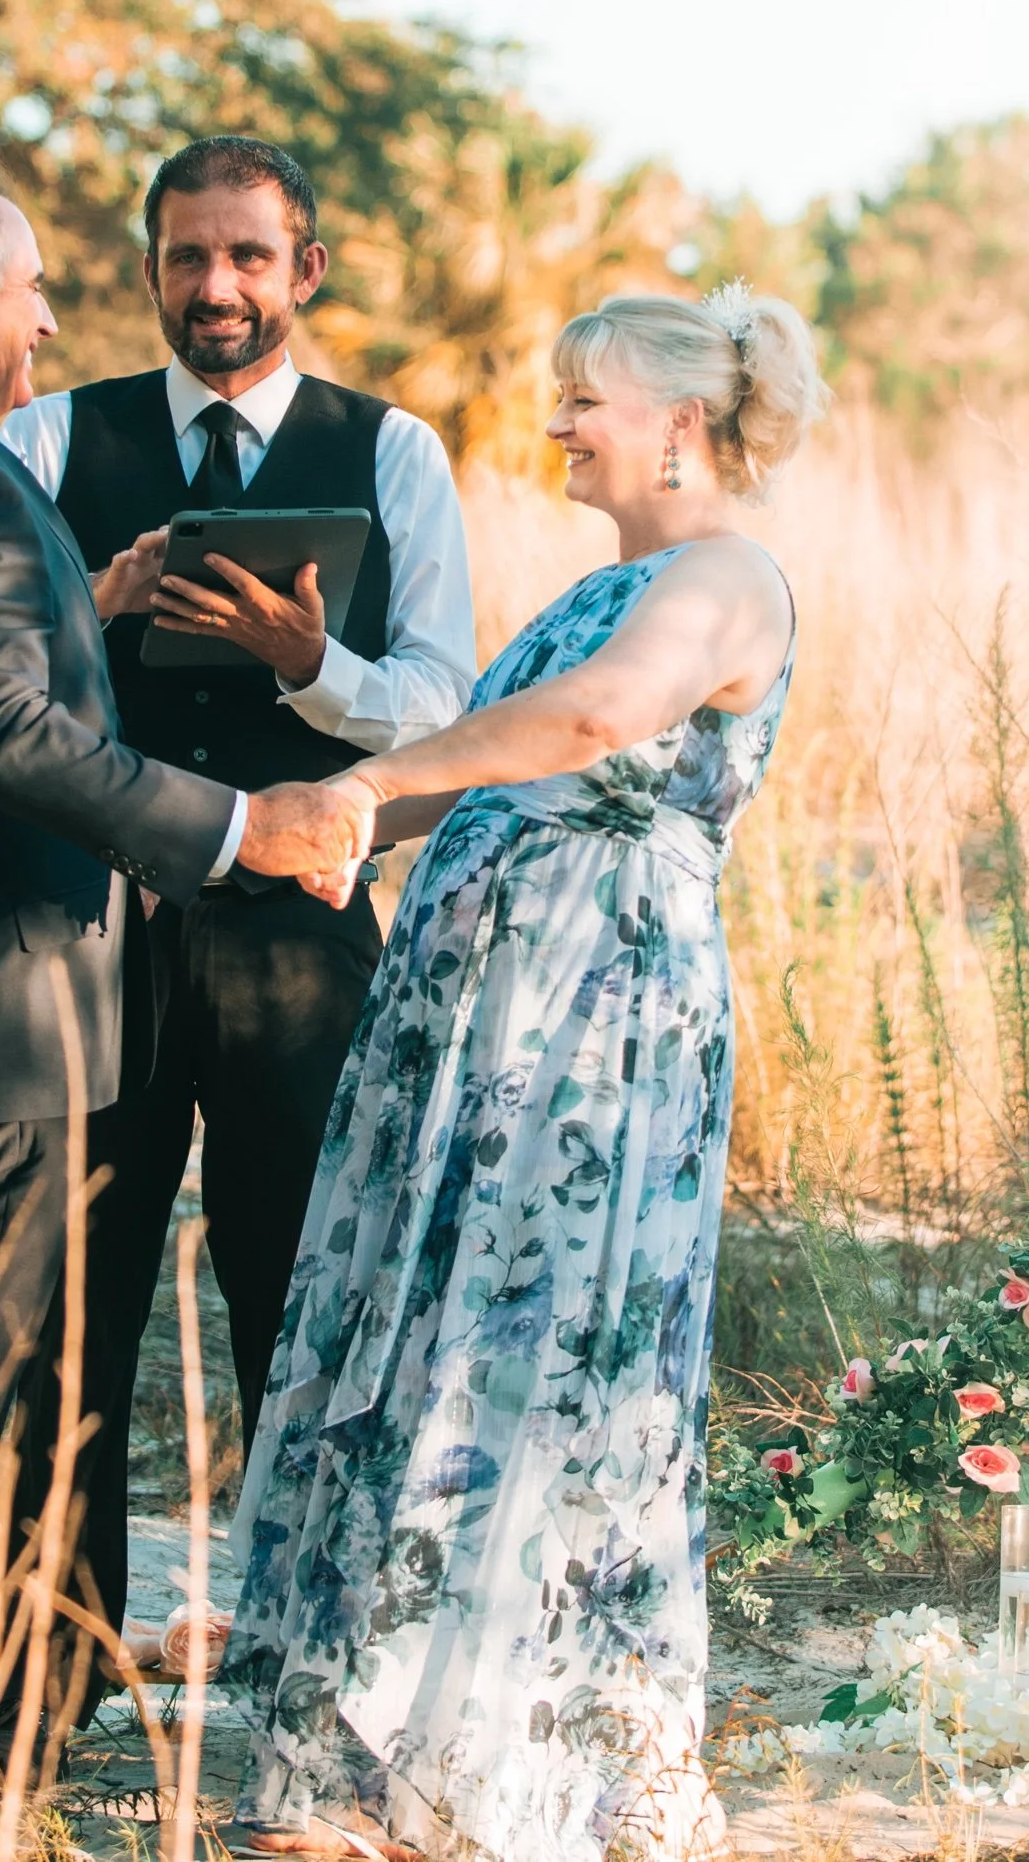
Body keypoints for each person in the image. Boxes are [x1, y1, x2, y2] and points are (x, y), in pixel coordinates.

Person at [0, 160, 359, 1779]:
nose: (43, 320)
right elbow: (1, 736)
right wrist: (240, 825)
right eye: (26, 289)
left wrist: (83, 612)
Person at [221, 287, 829, 1862]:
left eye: (583, 398)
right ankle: (370, 1757)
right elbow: (487, 752)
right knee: (436, 1329)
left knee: (537, 1345)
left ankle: (500, 1767)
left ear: (678, 423)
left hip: (589, 1032)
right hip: (482, 1032)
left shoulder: (721, 577)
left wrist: (367, 780)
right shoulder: (598, 586)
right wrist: (325, 825)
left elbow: (592, 722)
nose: (555, 422)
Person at [3, 134, 476, 1678]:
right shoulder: (51, 436)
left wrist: (304, 663)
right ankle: (55, 1668)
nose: (216, 286)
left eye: (247, 256)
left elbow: (442, 705)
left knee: (307, 1294)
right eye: (187, 257)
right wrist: (99, 608)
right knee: (74, 1301)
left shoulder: (391, 452)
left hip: (306, 928)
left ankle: (310, 1662)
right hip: (95, 933)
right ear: (149, 271)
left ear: (303, 270)